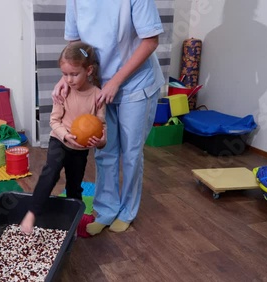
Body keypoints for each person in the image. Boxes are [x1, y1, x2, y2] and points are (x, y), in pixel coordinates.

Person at [52, 0, 165, 236]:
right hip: (99, 86)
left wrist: (116, 81)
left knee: (131, 153)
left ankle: (126, 212)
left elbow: (150, 40)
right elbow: (75, 43)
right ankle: (105, 211)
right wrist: (69, 76)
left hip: (136, 84)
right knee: (104, 149)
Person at [20, 41, 107, 234]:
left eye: (74, 74)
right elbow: (54, 121)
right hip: (59, 141)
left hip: (80, 150)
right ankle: (32, 213)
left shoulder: (97, 95)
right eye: (65, 74)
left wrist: (101, 142)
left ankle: (72, 223)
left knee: (75, 186)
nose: (69, 79)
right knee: (50, 173)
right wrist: (66, 135)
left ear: (89, 70)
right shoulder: (63, 91)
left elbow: (101, 125)